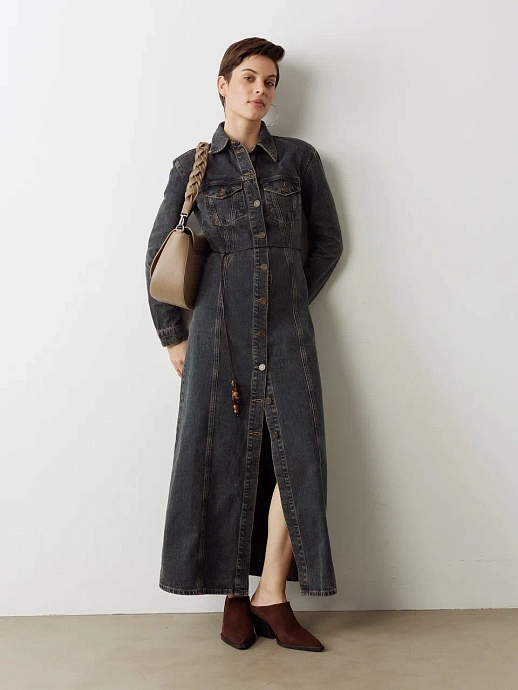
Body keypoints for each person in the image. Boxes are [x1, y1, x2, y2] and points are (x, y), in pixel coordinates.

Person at [145, 37, 343, 652]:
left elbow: (327, 243)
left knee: (298, 457)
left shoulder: (299, 161)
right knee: (226, 456)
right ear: (223, 84)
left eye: (271, 82)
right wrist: (174, 337)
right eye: (250, 78)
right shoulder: (194, 167)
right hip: (216, 336)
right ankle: (234, 594)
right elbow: (160, 256)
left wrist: (286, 298)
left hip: (286, 332)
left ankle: (271, 595)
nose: (261, 90)